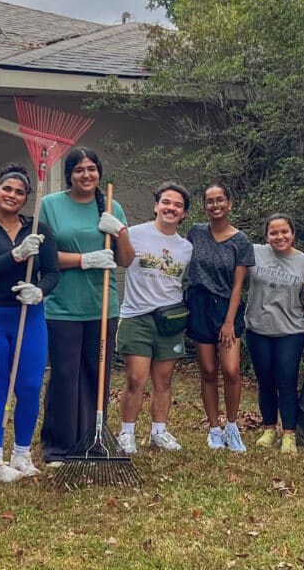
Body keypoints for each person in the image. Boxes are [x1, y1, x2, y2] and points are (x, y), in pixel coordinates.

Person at [0, 163, 59, 481]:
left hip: (27, 317)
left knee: (29, 387)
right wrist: (16, 255)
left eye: (19, 192)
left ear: (26, 197)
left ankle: (21, 454)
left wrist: (39, 291)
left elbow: (52, 273)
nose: (12, 195)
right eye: (7, 189)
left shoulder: (39, 230)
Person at [38, 147, 135, 465]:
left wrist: (120, 232)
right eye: (79, 169)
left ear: (99, 173)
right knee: (65, 375)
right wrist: (85, 260)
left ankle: (91, 440)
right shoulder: (50, 205)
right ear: (69, 174)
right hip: (62, 306)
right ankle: (58, 447)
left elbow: (126, 259)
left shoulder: (111, 206)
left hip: (101, 306)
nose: (86, 175)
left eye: (91, 168)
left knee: (97, 375)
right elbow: (43, 257)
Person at [115, 182, 194, 453]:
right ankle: (127, 432)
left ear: (183, 213)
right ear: (156, 205)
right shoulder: (135, 234)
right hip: (137, 316)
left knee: (164, 380)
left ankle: (159, 432)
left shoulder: (186, 248)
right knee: (136, 378)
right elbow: (119, 260)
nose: (171, 208)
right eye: (166, 202)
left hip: (169, 319)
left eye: (178, 205)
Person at [185, 183, 255, 452]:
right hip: (200, 305)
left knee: (231, 370)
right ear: (204, 206)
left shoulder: (241, 241)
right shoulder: (196, 233)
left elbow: (238, 285)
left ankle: (233, 427)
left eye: (220, 200)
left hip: (227, 307)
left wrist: (228, 321)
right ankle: (214, 428)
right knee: (208, 370)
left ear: (229, 203)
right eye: (210, 201)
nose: (215, 205)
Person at [244, 214, 304, 455]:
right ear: (266, 236)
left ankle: (289, 434)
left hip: (291, 330)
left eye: (284, 231)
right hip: (258, 328)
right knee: (265, 381)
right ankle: (269, 429)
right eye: (273, 233)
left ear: (293, 234)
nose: (279, 236)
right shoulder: (254, 252)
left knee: (286, 380)